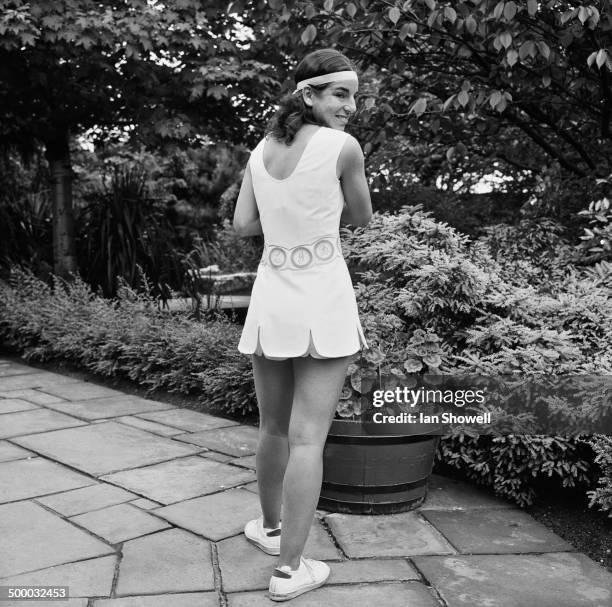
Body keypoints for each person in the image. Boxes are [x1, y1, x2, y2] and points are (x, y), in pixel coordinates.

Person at [232, 48, 372, 602]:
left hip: (272, 295)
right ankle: (290, 570)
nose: (351, 106)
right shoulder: (343, 149)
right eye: (341, 93)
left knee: (273, 428)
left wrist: (284, 211)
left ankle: (269, 531)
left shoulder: (259, 151)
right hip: (322, 295)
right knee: (308, 437)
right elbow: (361, 217)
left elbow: (244, 224)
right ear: (308, 94)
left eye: (354, 95)